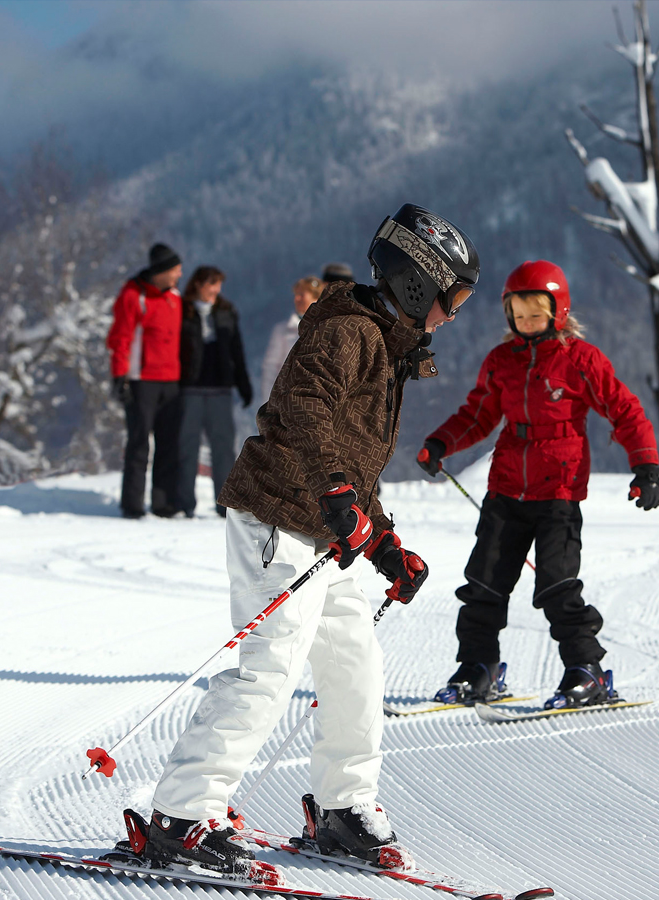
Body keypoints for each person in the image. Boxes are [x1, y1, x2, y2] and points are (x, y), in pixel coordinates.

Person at [112, 204, 479, 879]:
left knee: (354, 669)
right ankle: (181, 817)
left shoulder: (386, 343)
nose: (451, 316)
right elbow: (302, 413)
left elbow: (351, 459)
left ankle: (343, 809)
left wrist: (386, 546)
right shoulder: (346, 333)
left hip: (323, 532)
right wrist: (338, 499)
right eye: (451, 299)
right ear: (417, 285)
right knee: (269, 670)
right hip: (277, 521)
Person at [417, 260, 659, 711]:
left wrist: (645, 466)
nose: (526, 320)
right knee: (484, 585)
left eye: (536, 311)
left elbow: (624, 410)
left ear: (559, 310)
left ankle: (586, 672)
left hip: (559, 495)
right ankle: (479, 668)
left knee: (557, 586)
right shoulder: (500, 362)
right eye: (518, 311)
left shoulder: (580, 359)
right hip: (506, 490)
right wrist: (440, 443)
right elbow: (477, 415)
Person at [106, 243, 184, 518]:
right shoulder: (133, 296)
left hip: (171, 380)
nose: (179, 274)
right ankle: (132, 504)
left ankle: (163, 503)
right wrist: (119, 376)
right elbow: (120, 338)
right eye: (175, 269)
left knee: (168, 442)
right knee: (139, 443)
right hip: (141, 380)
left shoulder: (174, 297)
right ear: (161, 271)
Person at [177, 266, 253, 517]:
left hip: (221, 388)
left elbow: (237, 351)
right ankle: (184, 503)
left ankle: (225, 505)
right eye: (212, 284)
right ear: (198, 284)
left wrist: (243, 385)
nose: (216, 290)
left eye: (218, 285)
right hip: (190, 388)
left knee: (223, 449)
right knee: (186, 447)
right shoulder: (181, 310)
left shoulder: (226, 312)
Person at [259, 276, 322, 405]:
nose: (296, 299)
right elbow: (270, 368)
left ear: (315, 298)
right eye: (296, 295)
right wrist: (269, 403)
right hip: (288, 402)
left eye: (302, 295)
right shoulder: (282, 330)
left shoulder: (328, 327)